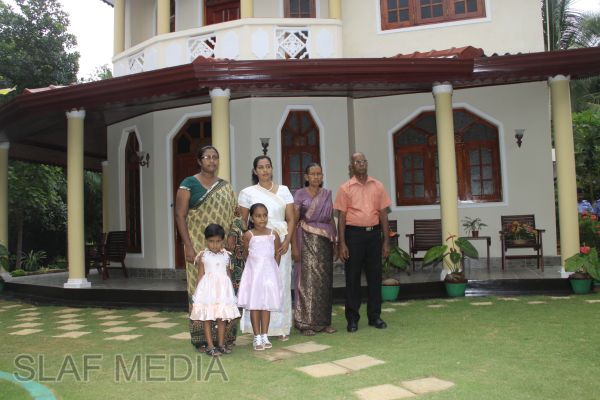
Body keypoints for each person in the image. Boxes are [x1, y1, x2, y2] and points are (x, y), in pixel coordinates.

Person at [174, 145, 239, 352]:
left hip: (222, 249)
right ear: (199, 161)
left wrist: (232, 235)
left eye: (215, 157)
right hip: (197, 248)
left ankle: (225, 339)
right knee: (200, 293)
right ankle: (202, 340)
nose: (212, 160)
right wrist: (188, 246)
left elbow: (236, 214)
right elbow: (180, 215)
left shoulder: (226, 187)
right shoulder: (188, 184)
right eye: (207, 157)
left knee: (223, 293)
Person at [238, 155, 295, 341]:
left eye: (268, 166)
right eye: (261, 167)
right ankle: (257, 330)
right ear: (255, 171)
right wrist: (248, 242)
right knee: (257, 285)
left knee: (279, 283)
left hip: (280, 241)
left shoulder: (284, 190)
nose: (265, 170)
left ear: (272, 168)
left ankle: (280, 328)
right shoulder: (247, 193)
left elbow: (291, 219)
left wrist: (287, 241)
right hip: (258, 246)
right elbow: (242, 222)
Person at [334, 152, 391, 333]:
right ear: (351, 167)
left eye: (364, 161)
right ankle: (352, 319)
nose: (361, 164)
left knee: (375, 278)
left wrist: (386, 242)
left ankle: (375, 316)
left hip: (373, 236)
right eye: (357, 162)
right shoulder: (345, 188)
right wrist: (342, 243)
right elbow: (342, 218)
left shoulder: (378, 186)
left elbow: (383, 215)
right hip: (354, 237)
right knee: (353, 279)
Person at [291, 163, 337, 336]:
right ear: (306, 177)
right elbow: (294, 221)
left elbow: (330, 219)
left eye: (319, 174)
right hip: (305, 240)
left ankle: (324, 322)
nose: (316, 177)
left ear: (322, 176)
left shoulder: (326, 194)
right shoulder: (300, 194)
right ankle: (305, 323)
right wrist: (294, 247)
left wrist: (336, 242)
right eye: (313, 174)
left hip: (325, 243)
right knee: (307, 282)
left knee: (324, 283)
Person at [190, 224, 241, 357]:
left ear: (222, 240)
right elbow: (200, 276)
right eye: (211, 241)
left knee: (221, 318)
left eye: (218, 241)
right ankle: (210, 346)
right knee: (207, 317)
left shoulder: (226, 256)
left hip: (223, 291)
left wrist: (230, 292)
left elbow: (227, 274)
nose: (215, 245)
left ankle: (221, 344)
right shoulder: (203, 256)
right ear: (206, 241)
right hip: (208, 293)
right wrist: (197, 295)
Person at [237, 203, 283, 351]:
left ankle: (265, 334)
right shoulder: (248, 235)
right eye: (258, 216)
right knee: (255, 305)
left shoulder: (273, 234)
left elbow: (277, 253)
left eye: (264, 215)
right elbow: (246, 254)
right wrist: (253, 270)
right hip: (254, 275)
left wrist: (273, 269)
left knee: (266, 305)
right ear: (252, 218)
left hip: (269, 275)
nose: (262, 219)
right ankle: (256, 336)